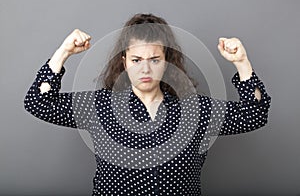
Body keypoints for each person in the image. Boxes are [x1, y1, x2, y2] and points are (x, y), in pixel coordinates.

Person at [24, 13, 271, 195]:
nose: (145, 68)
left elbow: (255, 114)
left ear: (167, 61)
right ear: (124, 62)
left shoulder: (195, 111)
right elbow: (39, 102)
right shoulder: (101, 107)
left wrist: (241, 62)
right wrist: (63, 52)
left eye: (154, 59)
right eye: (136, 59)